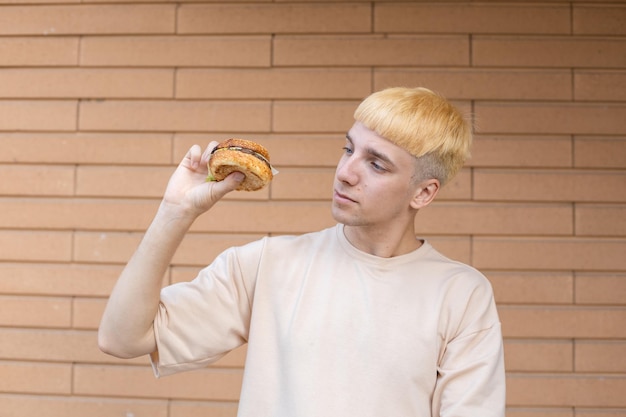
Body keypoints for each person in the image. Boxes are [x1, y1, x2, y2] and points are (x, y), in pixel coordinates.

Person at [98, 87, 506, 417]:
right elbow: (122, 338)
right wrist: (174, 213)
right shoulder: (269, 264)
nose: (346, 172)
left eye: (376, 164)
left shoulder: (461, 295)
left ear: (423, 192)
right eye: (349, 150)